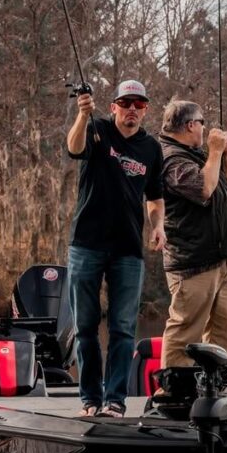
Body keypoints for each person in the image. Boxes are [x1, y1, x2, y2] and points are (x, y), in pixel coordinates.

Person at [66, 80, 166, 418]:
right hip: (87, 245)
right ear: (114, 107)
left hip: (128, 250)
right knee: (86, 327)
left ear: (145, 110)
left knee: (123, 329)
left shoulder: (151, 148)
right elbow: (73, 147)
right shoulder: (96, 130)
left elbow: (154, 198)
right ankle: (90, 400)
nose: (132, 110)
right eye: (126, 103)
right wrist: (82, 115)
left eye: (139, 104)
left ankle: (115, 402)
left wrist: (158, 225)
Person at [157, 99, 227, 371]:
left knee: (225, 334)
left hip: (220, 259)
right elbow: (203, 189)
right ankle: (172, 393)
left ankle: (218, 388)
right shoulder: (170, 158)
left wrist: (223, 156)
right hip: (192, 263)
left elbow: (224, 184)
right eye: (202, 122)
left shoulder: (194, 152)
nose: (205, 128)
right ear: (190, 125)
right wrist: (213, 151)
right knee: (185, 331)